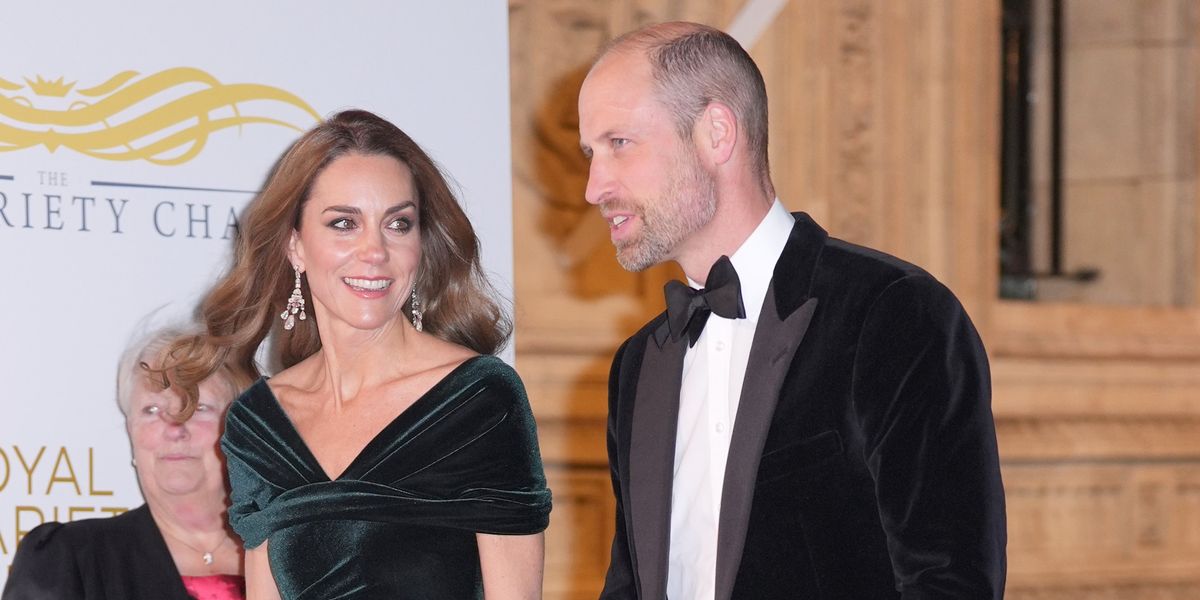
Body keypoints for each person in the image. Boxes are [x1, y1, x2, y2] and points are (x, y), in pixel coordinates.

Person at [578, 22, 1006, 599]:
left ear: (716, 133)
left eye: (619, 144)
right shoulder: (637, 364)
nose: (593, 186)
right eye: (590, 153)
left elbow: (948, 583)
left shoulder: (893, 313)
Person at [159, 109, 551, 600]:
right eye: (344, 223)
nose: (374, 251)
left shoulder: (480, 400)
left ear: (421, 245)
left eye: (398, 224)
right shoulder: (258, 424)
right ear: (295, 246)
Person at [3, 326, 247, 600]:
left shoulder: (286, 555)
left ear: (237, 429)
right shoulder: (70, 558)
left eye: (199, 408)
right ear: (131, 431)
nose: (175, 428)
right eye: (152, 410)